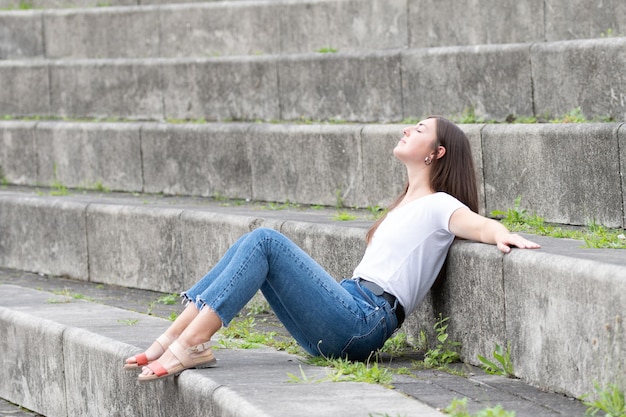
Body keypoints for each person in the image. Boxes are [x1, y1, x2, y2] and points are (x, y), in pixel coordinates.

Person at [124, 116, 540, 381]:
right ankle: (173, 338)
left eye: (418, 130)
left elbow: (477, 223)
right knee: (252, 243)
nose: (406, 130)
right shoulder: (404, 205)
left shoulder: (441, 204)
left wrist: (501, 233)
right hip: (349, 309)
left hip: (364, 320)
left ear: (436, 153)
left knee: (265, 241)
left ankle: (190, 344)